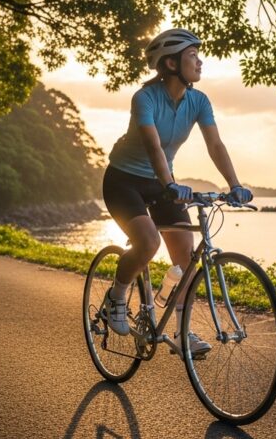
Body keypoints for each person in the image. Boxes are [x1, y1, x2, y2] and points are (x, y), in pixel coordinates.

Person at [100, 28, 253, 355]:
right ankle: (117, 296)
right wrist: (170, 184)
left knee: (186, 257)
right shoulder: (145, 98)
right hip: (123, 181)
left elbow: (215, 144)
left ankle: (183, 332)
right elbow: (153, 146)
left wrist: (234, 184)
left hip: (160, 183)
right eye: (192, 56)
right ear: (171, 63)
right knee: (149, 242)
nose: (200, 62)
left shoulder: (198, 101)